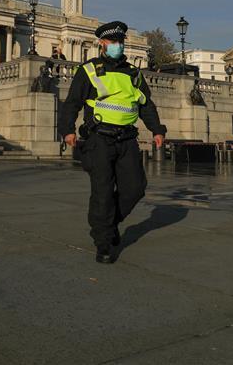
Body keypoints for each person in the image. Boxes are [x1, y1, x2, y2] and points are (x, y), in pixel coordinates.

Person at [59, 21, 166, 264]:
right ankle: (103, 242)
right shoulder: (88, 70)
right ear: (102, 44)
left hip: (127, 139)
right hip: (99, 139)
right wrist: (67, 130)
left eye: (120, 41)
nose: (118, 45)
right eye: (113, 41)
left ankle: (109, 223)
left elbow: (145, 104)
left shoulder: (133, 73)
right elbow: (73, 102)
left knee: (135, 188)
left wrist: (157, 129)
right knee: (103, 193)